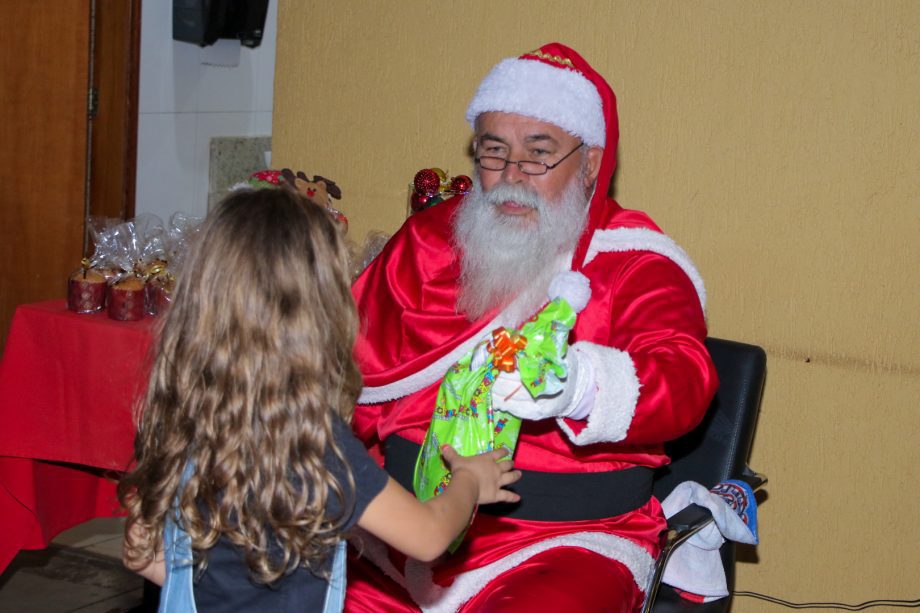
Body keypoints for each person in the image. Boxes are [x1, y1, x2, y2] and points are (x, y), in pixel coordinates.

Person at [347, 42, 719, 612]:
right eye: (494, 151)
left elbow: (685, 378)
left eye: (538, 154)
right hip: (399, 527)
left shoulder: (638, 263)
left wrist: (580, 385)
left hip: (563, 542)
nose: (512, 176)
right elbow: (341, 363)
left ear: (589, 163)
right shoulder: (427, 240)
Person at [117, 188, 522, 612]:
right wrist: (468, 480)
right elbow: (428, 536)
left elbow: (140, 554)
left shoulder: (184, 421)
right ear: (318, 315)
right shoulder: (314, 447)